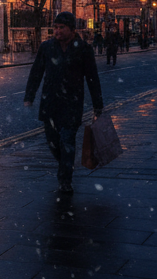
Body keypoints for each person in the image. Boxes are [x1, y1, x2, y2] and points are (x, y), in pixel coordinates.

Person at [23, 11, 104, 194]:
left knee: (67, 141)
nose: (57, 31)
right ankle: (66, 165)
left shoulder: (83, 49)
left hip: (72, 104)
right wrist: (29, 96)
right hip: (50, 103)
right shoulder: (47, 47)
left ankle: (65, 180)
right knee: (53, 143)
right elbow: (36, 72)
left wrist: (98, 105)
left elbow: (92, 78)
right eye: (56, 27)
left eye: (61, 28)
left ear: (72, 30)